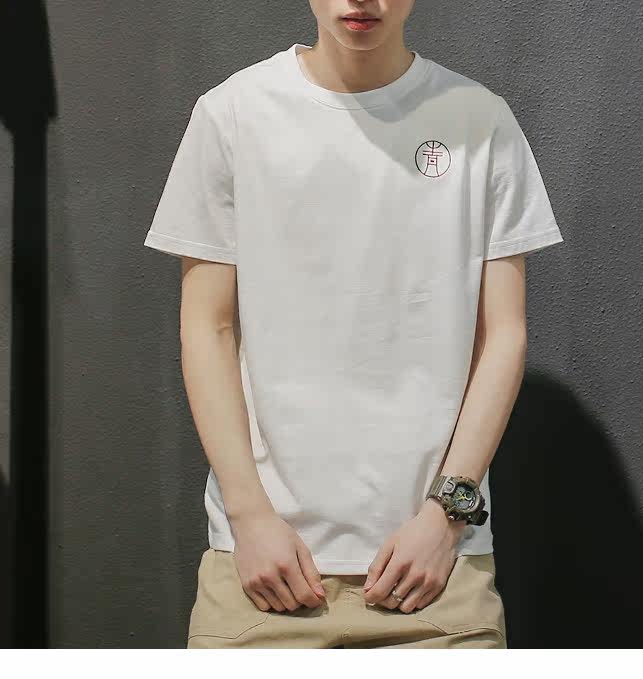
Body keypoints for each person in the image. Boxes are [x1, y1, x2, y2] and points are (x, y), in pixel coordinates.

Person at [143, 0, 563, 649]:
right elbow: (207, 328)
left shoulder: (479, 121)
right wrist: (249, 517)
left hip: (438, 578)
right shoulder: (232, 114)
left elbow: (503, 335)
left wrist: (446, 517)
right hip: (259, 573)